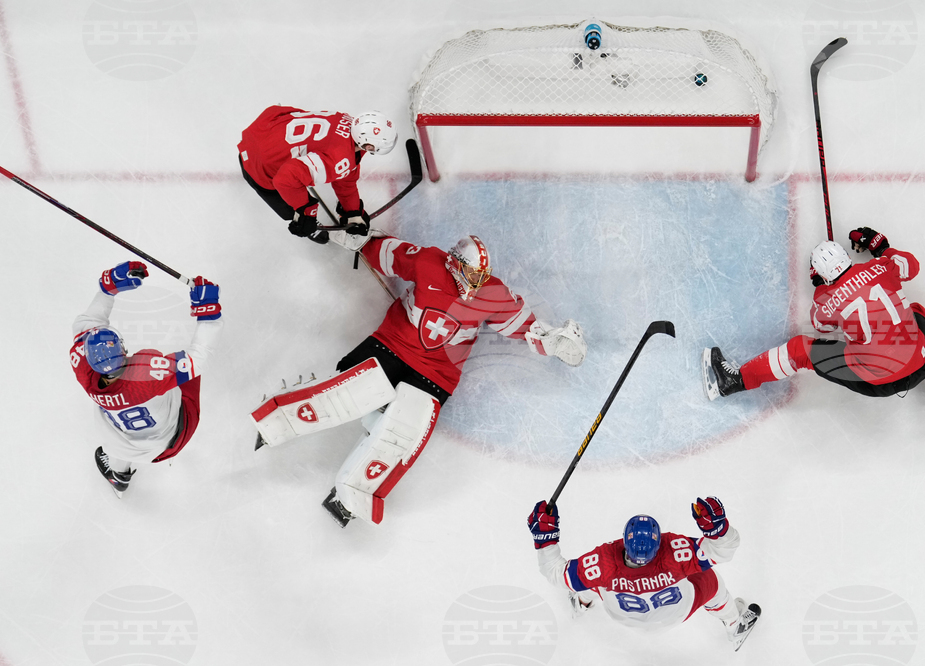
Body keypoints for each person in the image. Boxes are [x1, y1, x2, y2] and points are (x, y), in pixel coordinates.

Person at [251, 231, 587, 527]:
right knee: (355, 391)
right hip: (391, 346)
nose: (476, 280)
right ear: (455, 263)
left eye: (481, 274)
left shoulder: (492, 293)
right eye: (471, 272)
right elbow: (384, 251)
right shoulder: (428, 262)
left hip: (437, 373)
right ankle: (279, 417)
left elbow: (523, 326)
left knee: (405, 429)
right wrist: (356, 236)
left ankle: (356, 493)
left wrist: (553, 341)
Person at [703, 227, 925, 415]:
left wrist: (822, 287)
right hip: (920, 364)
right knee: (917, 312)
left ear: (821, 274)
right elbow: (911, 265)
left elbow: (822, 327)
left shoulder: (827, 298)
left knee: (801, 350)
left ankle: (736, 381)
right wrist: (881, 247)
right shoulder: (881, 267)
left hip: (877, 381)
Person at [70, 261, 223, 497]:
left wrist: (107, 289)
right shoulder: (145, 375)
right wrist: (209, 313)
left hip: (131, 442)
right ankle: (120, 468)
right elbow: (198, 358)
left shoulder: (82, 366)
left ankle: (119, 475)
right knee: (189, 372)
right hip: (177, 435)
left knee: (115, 434)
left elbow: (88, 321)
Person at [527, 497, 761, 651]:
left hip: (622, 615)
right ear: (658, 544)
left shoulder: (604, 561)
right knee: (711, 581)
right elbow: (724, 551)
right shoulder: (675, 554)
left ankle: (581, 603)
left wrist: (545, 541)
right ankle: (734, 625)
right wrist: (718, 529)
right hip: (676, 611)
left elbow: (556, 573)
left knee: (591, 578)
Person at [238, 106, 397, 245]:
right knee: (290, 208)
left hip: (267, 125)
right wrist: (306, 213)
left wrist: (353, 212)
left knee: (301, 173)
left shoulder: (344, 119)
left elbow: (345, 176)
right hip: (256, 162)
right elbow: (285, 179)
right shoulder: (340, 158)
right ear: (368, 145)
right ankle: (300, 220)